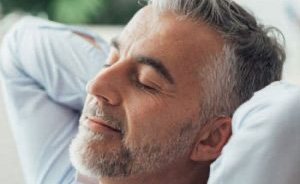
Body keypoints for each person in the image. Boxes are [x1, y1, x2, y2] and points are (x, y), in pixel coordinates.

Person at [1, 0, 296, 184]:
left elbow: (288, 114)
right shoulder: (71, 175)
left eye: (146, 82)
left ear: (211, 138)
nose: (93, 86)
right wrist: (127, 75)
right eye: (109, 60)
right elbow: (20, 44)